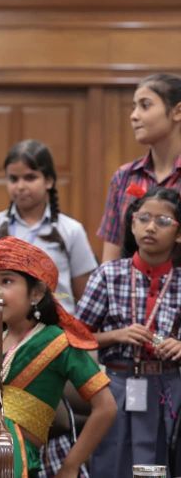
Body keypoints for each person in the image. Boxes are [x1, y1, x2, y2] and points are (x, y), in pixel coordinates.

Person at [0, 236, 117, 478]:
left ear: (36, 293)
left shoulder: (60, 342)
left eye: (6, 281)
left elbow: (106, 407)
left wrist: (71, 465)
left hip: (17, 458)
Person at [77, 186, 181, 476]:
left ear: (179, 233)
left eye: (162, 222)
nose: (151, 227)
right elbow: (74, 336)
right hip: (117, 382)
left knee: (159, 460)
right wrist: (115, 335)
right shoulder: (108, 275)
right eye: (144, 218)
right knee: (112, 458)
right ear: (132, 224)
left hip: (168, 384)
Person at [0, 140, 97, 314]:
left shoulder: (71, 230)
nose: (21, 186)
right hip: (6, 330)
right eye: (13, 179)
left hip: (58, 331)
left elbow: (84, 296)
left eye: (30, 177)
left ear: (49, 181)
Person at [98, 74, 181, 262]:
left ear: (177, 112)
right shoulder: (124, 176)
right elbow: (111, 257)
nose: (134, 116)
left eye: (145, 105)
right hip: (131, 288)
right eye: (134, 107)